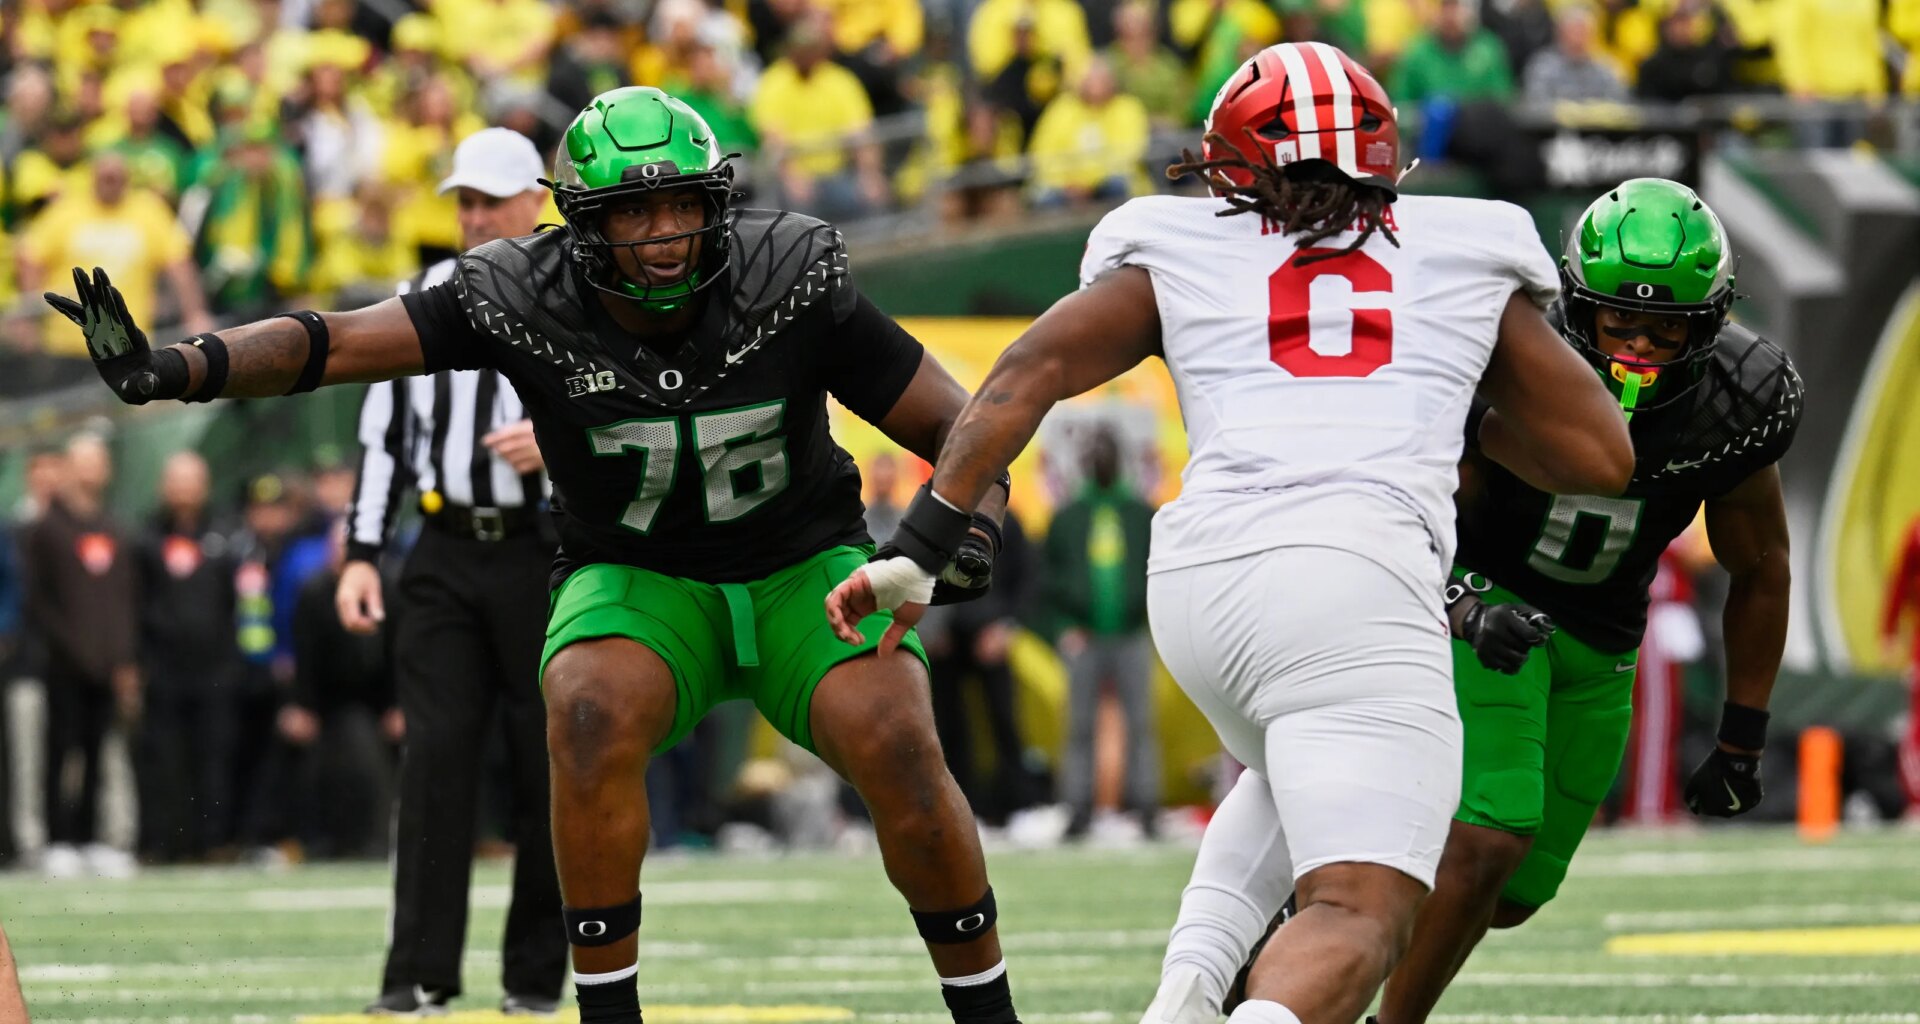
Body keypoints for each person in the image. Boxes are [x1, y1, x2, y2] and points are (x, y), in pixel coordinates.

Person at [49, 86, 1023, 1024]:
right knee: (588, 712)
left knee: (898, 736)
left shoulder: (789, 274)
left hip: (802, 565)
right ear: (583, 223)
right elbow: (336, 344)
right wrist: (176, 366)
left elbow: (963, 429)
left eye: (683, 204)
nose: (665, 234)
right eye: (635, 213)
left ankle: (987, 1011)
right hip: (639, 573)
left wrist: (965, 535)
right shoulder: (523, 290)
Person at [827, 42, 1633, 1024]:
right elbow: (1602, 457)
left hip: (1203, 582)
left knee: (1283, 780)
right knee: (1362, 907)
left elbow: (1022, 374)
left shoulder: (1181, 243)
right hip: (1353, 579)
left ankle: (1184, 1000)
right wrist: (1456, 400)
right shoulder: (1465, 245)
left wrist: (917, 546)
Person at [1212, 179, 1803, 1024]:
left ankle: (1298, 942)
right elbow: (1407, 500)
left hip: (1603, 640)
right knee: (1490, 833)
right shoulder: (1504, 359)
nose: (1637, 347)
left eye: (1664, 327)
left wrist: (1743, 735)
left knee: (1511, 890)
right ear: (1577, 308)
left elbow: (1762, 563)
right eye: (1619, 323)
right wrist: (1459, 602)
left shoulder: (1735, 399)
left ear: (1705, 326)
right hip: (1488, 603)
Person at [337, 125, 567, 1015]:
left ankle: (538, 980)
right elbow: (382, 442)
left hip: (544, 556)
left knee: (551, 764)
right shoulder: (421, 297)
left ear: (535, 201)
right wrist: (361, 554)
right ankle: (418, 977)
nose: (472, 218)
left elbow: (634, 415)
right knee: (435, 764)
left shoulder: (581, 299)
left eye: (488, 200)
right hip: (440, 554)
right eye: (463, 202)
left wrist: (557, 444)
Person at [22, 433, 142, 879]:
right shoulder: (47, 529)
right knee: (59, 752)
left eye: (100, 462)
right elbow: (39, 601)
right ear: (68, 467)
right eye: (84, 462)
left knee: (97, 751)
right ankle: (57, 839)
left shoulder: (113, 527)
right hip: (62, 664)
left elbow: (124, 600)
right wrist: (72, 648)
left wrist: (123, 658)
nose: (93, 470)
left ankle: (92, 839)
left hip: (106, 666)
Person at [1043, 427, 1156, 839]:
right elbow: (1048, 577)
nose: (1102, 459)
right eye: (1096, 452)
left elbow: (1156, 568)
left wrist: (1147, 616)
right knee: (1079, 726)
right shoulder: (1070, 514)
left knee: (1142, 723)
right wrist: (1063, 625)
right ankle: (1077, 809)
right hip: (1083, 635)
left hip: (1131, 633)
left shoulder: (1139, 513)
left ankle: (1146, 807)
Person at [135, 450, 241, 864]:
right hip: (164, 669)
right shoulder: (146, 539)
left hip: (216, 669)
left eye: (191, 480)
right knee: (166, 759)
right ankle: (166, 843)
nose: (183, 489)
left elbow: (239, 602)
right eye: (176, 480)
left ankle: (214, 842)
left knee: (214, 758)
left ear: (205, 485)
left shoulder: (225, 537)